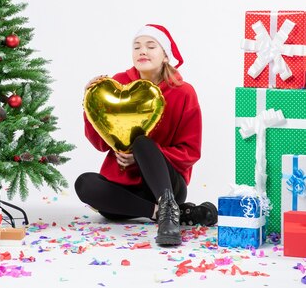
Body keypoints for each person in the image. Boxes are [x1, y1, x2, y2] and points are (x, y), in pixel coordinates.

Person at [75, 24, 217, 246]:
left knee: (142, 143)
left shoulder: (184, 92)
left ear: (166, 56)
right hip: (126, 192)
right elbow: (101, 145)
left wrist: (143, 156)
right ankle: (164, 213)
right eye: (137, 46)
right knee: (84, 183)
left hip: (167, 186)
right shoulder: (117, 84)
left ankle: (169, 210)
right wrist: (89, 103)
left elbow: (191, 152)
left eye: (151, 46)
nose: (142, 51)